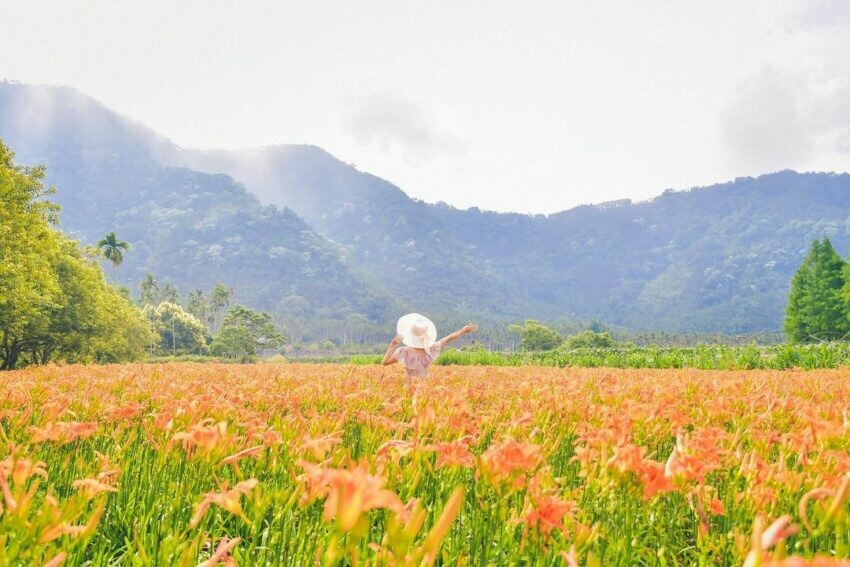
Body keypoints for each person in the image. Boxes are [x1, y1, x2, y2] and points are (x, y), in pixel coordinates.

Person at [382, 313, 477, 378]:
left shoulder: (403, 351)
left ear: (410, 334)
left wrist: (392, 346)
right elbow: (449, 338)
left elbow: (384, 363)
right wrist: (463, 330)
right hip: (425, 387)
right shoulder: (431, 349)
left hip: (410, 387)